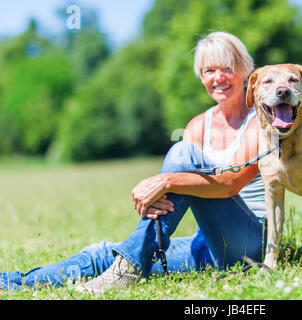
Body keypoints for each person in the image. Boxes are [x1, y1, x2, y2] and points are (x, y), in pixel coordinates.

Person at [0, 32, 269, 293]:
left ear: (245, 71)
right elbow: (182, 195)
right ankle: (11, 282)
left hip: (248, 246)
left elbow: (230, 184)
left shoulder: (259, 122)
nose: (218, 78)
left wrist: (165, 181)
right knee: (103, 254)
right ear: (201, 77)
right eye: (209, 71)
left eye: (227, 68)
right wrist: (169, 188)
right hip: (206, 244)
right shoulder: (199, 126)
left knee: (181, 154)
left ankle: (131, 265)